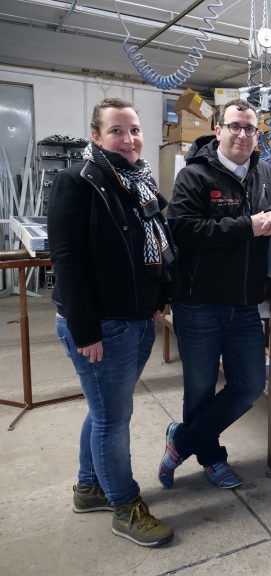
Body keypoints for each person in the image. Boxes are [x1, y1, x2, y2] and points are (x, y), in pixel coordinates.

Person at [48, 97, 175, 547]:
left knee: (104, 411)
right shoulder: (77, 182)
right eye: (117, 131)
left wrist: (160, 298)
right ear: (97, 137)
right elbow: (67, 260)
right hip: (102, 326)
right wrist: (85, 331)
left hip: (137, 320)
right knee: (112, 419)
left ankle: (88, 487)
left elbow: (155, 247)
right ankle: (124, 504)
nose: (129, 139)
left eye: (135, 130)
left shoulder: (136, 183)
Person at [158, 98, 271, 490]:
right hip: (199, 304)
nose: (242, 134)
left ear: (257, 135)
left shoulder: (266, 173)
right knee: (200, 391)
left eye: (250, 128)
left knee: (250, 385)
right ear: (218, 130)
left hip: (244, 305)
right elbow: (183, 231)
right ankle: (212, 459)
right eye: (234, 126)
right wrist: (247, 226)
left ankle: (181, 439)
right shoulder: (195, 175)